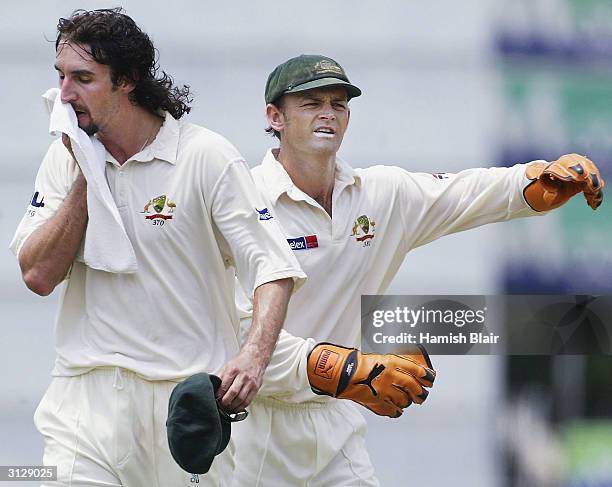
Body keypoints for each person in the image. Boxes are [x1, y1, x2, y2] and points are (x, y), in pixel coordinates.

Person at [230, 54, 605, 486]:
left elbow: (462, 193)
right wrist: (344, 369)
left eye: (338, 103)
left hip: (336, 430)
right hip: (255, 433)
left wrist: (532, 184)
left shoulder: (380, 193)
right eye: (311, 103)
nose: (328, 114)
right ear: (274, 116)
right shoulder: (243, 201)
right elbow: (233, 334)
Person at [9, 9, 308, 486]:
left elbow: (273, 269)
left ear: (126, 81)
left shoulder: (204, 156)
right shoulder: (66, 156)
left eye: (83, 79)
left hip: (184, 409)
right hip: (87, 405)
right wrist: (89, 175)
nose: (65, 94)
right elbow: (37, 275)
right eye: (61, 77)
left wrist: (253, 358)